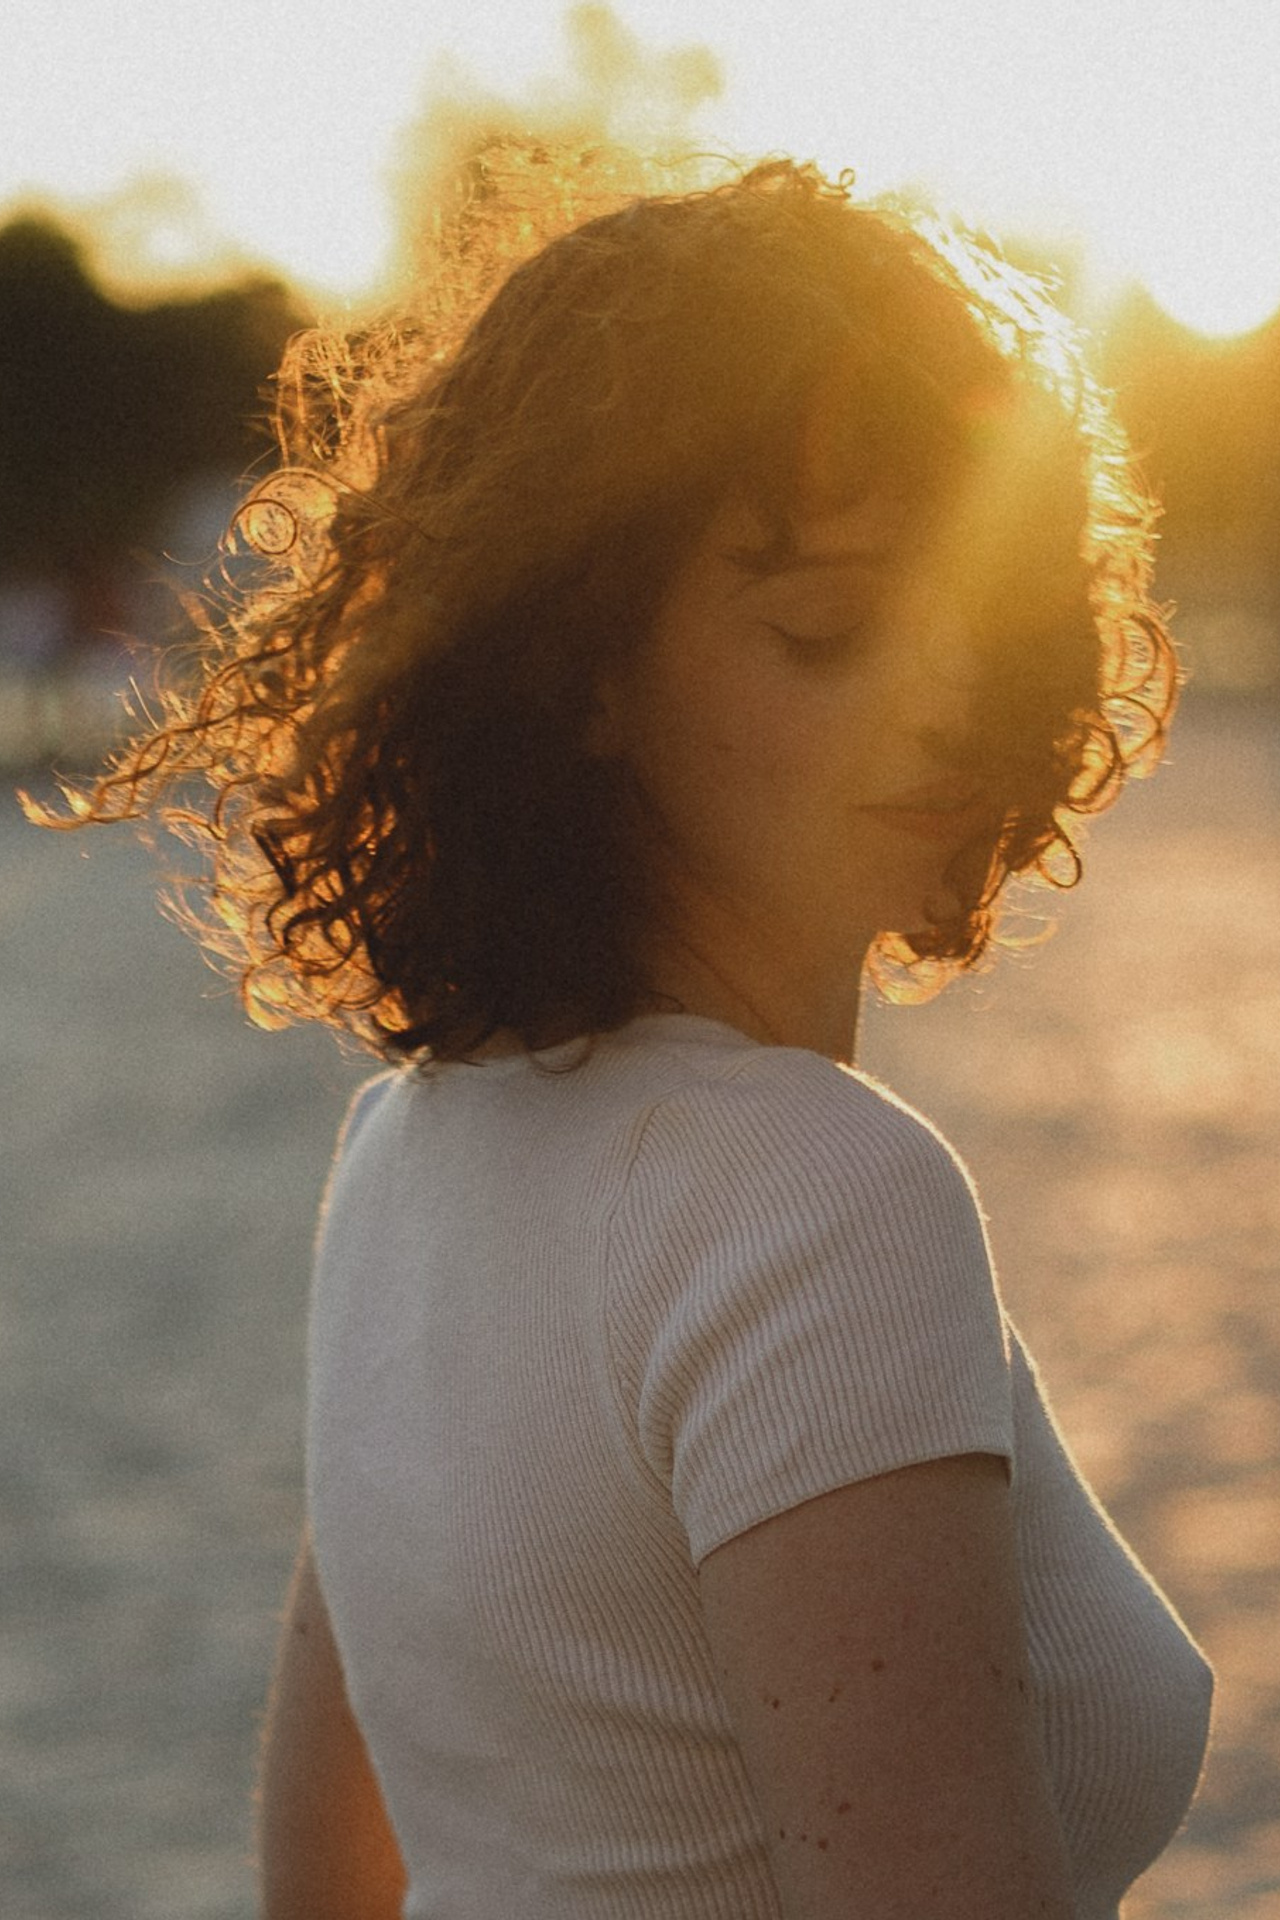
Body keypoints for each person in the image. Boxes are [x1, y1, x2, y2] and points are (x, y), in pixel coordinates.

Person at [38, 154, 1212, 1918]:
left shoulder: (410, 1150)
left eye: (983, 615)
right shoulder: (817, 1194)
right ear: (578, 661)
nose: (942, 699)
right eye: (822, 630)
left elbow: (329, 1880)